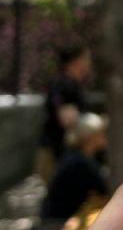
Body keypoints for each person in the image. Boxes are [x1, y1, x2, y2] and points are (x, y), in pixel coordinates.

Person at [41, 113, 109, 226]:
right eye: (101, 134)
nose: (104, 137)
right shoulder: (79, 162)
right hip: (57, 221)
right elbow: (103, 188)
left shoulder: (76, 156)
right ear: (91, 137)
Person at [38, 45, 92, 181]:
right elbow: (65, 117)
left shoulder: (75, 84)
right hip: (54, 152)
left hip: (65, 154)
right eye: (86, 58)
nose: (88, 63)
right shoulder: (61, 83)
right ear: (76, 61)